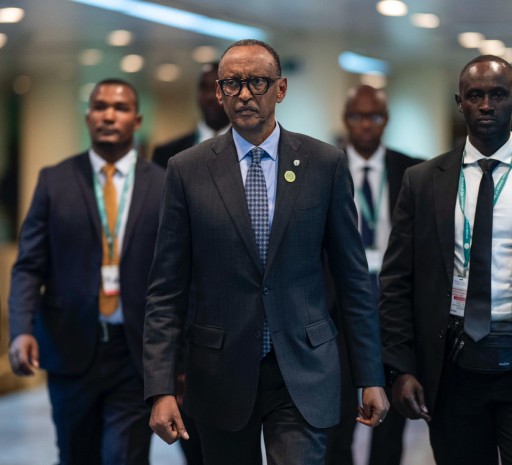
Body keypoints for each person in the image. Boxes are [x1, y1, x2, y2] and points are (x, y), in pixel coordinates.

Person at [143, 39, 389, 465]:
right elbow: (166, 289)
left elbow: (353, 280)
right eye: (232, 83)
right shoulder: (188, 169)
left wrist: (370, 375)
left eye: (257, 81)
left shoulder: (323, 164)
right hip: (220, 370)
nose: (244, 93)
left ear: (280, 88)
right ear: (218, 93)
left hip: (303, 365)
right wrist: (161, 388)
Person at [8, 78, 165, 465]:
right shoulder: (54, 180)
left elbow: (180, 274)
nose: (109, 115)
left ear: (137, 119)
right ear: (87, 116)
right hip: (69, 347)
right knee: (76, 455)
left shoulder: (164, 185)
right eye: (100, 106)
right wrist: (21, 329)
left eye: (121, 107)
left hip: (136, 352)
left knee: (124, 456)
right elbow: (30, 264)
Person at [380, 54, 512, 465]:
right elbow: (397, 281)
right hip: (452, 368)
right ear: (460, 103)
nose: (486, 105)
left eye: (498, 95)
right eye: (475, 95)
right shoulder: (422, 182)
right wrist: (400, 368)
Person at [326, 85, 420, 465]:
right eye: (357, 116)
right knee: (338, 420)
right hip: (338, 308)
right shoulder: (323, 166)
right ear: (345, 119)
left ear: (387, 120)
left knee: (391, 416)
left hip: (393, 306)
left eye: (375, 116)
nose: (366, 124)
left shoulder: (412, 170)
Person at [153, 62, 229, 465]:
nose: (213, 96)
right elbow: (166, 259)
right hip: (190, 323)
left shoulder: (260, 156)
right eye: (205, 87)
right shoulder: (171, 157)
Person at [152, 62, 230, 168]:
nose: (210, 97)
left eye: (218, 89)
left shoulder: (249, 149)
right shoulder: (166, 154)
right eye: (204, 87)